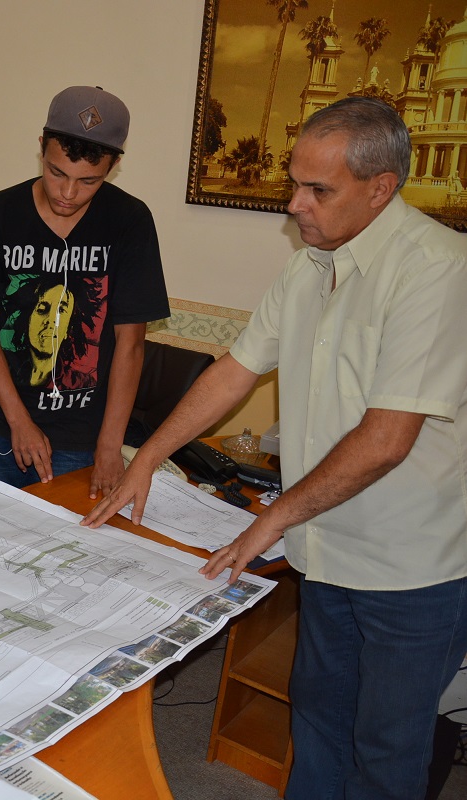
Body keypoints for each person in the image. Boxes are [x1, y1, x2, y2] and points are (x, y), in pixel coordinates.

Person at [84, 97, 467, 799]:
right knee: (316, 720)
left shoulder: (436, 270)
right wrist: (146, 455)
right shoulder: (308, 265)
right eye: (294, 182)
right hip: (324, 546)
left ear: (380, 188)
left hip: (410, 567)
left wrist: (269, 519)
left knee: (385, 749)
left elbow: (385, 440)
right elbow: (233, 370)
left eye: (317, 190)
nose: (294, 205)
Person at [0, 85, 168, 496]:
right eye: (56, 173)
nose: (68, 194)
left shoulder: (130, 222)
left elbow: (131, 344)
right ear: (41, 147)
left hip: (83, 442)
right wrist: (18, 422)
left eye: (88, 181)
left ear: (114, 165)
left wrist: (108, 445)